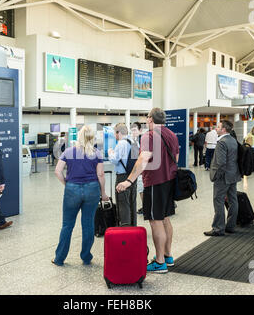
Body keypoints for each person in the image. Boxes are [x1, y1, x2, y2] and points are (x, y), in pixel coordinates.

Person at [116, 108, 179, 274]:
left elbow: (143, 158)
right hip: (169, 181)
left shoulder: (148, 136)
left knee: (155, 220)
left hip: (155, 182)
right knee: (165, 218)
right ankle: (167, 256)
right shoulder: (171, 134)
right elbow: (176, 158)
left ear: (150, 119)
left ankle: (159, 262)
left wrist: (129, 180)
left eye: (147, 118)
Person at [53, 126, 109, 266]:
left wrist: (67, 184)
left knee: (67, 225)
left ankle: (59, 258)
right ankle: (86, 256)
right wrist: (103, 193)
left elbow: (58, 171)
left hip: (72, 189)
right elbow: (100, 175)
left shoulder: (69, 151)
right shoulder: (97, 153)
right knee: (88, 224)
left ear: (79, 136)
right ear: (92, 138)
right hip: (92, 190)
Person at [204, 120, 241, 237]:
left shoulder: (221, 143)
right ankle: (231, 226)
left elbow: (220, 163)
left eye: (218, 127)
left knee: (218, 201)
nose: (216, 128)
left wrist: (216, 176)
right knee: (233, 200)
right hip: (233, 174)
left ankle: (218, 228)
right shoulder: (233, 140)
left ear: (224, 129)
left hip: (223, 177)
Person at [108, 123, 137, 226]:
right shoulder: (133, 142)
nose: (115, 136)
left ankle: (125, 229)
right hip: (133, 176)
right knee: (132, 201)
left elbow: (115, 160)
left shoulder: (121, 143)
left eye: (115, 133)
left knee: (123, 202)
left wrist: (110, 152)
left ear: (118, 133)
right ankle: (133, 227)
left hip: (122, 176)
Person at [131, 123, 144, 215]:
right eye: (132, 130)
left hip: (143, 169)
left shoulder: (143, 140)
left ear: (140, 130)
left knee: (141, 188)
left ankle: (145, 207)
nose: (133, 132)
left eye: (135, 130)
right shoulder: (134, 140)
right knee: (141, 188)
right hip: (139, 168)